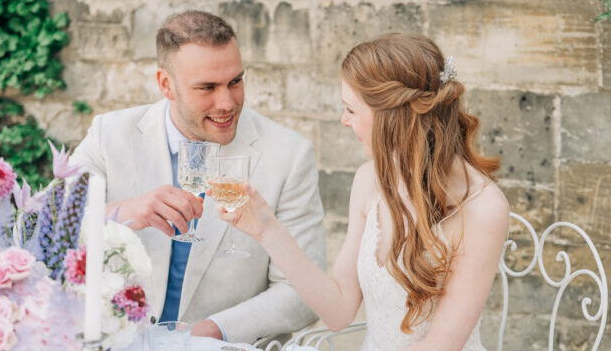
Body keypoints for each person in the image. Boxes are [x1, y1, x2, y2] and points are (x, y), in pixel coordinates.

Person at [215, 33, 510, 350]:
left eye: (351, 109)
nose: (343, 121)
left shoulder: (484, 207)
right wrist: (267, 230)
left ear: (391, 116)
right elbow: (339, 311)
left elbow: (441, 345)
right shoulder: (369, 180)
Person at [70, 10, 325, 344]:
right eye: (207, 87)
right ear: (165, 84)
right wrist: (120, 212)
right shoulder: (109, 134)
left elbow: (304, 292)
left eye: (236, 81)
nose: (228, 102)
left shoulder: (290, 155)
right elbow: (45, 227)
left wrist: (206, 335)